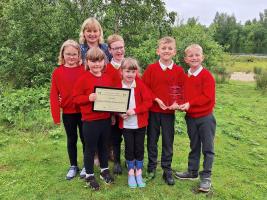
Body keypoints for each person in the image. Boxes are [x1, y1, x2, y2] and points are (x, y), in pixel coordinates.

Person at [173, 44, 216, 192]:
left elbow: (207, 97)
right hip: (191, 117)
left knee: (208, 148)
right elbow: (182, 95)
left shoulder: (207, 76)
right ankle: (192, 172)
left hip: (205, 118)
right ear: (186, 59)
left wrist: (189, 103)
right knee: (194, 145)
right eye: (191, 56)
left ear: (202, 57)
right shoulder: (186, 77)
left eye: (197, 55)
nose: (194, 58)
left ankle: (206, 177)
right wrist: (177, 104)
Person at [142, 36, 185, 185]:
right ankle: (152, 167)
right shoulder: (151, 69)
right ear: (158, 51)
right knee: (152, 140)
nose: (166, 51)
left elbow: (182, 91)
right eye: (163, 48)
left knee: (168, 141)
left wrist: (177, 103)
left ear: (174, 52)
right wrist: (155, 99)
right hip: (153, 111)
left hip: (169, 114)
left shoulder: (179, 71)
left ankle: (167, 169)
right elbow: (144, 88)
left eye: (170, 48)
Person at [72, 47, 114, 191]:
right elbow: (76, 99)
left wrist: (113, 115)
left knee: (104, 146)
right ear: (87, 62)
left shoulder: (107, 78)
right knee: (90, 149)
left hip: (105, 119)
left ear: (104, 62)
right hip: (90, 121)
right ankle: (89, 174)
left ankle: (104, 170)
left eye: (99, 61)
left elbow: (111, 99)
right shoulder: (83, 79)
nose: (96, 64)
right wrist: (88, 98)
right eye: (93, 61)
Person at [50, 39, 85, 180]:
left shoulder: (84, 69)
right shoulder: (58, 72)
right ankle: (73, 166)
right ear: (62, 54)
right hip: (68, 113)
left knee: (85, 139)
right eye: (68, 54)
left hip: (84, 112)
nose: (71, 57)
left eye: (74, 54)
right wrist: (56, 116)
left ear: (79, 55)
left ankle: (86, 166)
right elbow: (54, 95)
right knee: (71, 139)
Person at [118, 58, 152, 188]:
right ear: (122, 72)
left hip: (140, 124)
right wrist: (119, 113)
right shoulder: (118, 86)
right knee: (129, 148)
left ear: (136, 72)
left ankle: (139, 171)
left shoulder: (140, 85)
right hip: (126, 125)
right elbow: (114, 106)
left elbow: (148, 102)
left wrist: (135, 110)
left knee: (139, 147)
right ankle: (131, 172)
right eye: (127, 71)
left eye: (133, 71)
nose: (130, 74)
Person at [105, 34, 126, 174]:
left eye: (121, 47)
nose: (119, 51)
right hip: (114, 112)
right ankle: (117, 161)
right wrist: (112, 113)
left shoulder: (130, 65)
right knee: (115, 137)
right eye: (115, 48)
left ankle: (131, 161)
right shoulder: (105, 69)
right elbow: (105, 93)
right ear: (109, 50)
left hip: (130, 112)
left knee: (130, 137)